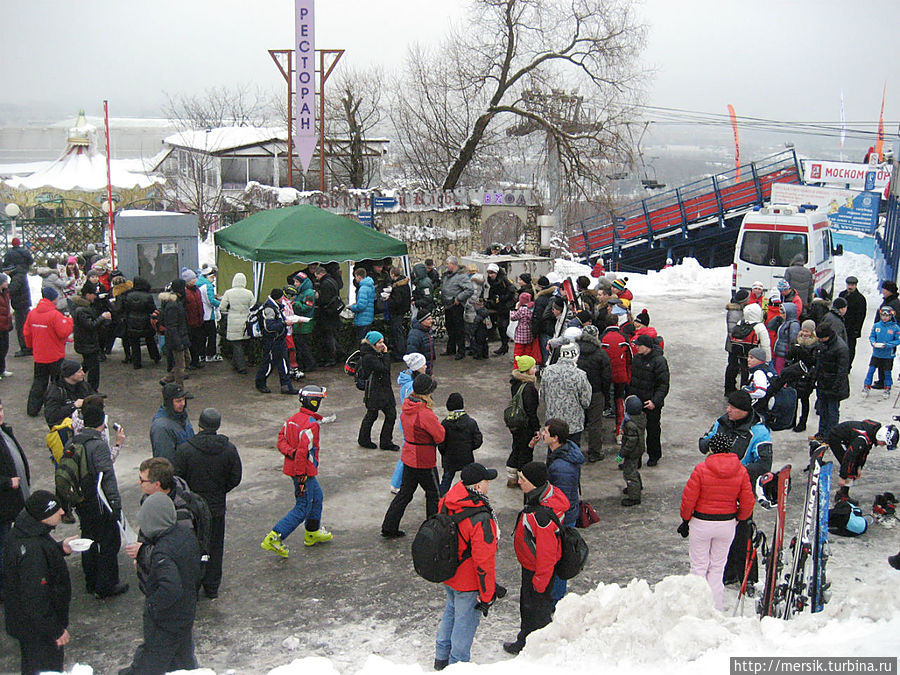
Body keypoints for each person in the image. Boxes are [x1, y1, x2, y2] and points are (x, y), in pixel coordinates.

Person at [120, 492, 202, 675]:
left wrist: (152, 605)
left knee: (152, 658)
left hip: (167, 618)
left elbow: (170, 587)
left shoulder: (162, 551)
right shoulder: (185, 535)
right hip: (186, 610)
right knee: (183, 656)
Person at [699, 390, 773, 586]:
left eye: (732, 407)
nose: (728, 410)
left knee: (742, 532)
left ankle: (748, 577)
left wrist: (738, 473)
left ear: (744, 411)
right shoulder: (722, 422)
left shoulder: (759, 432)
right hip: (718, 490)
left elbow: (765, 464)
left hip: (741, 490)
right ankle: (727, 572)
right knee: (721, 532)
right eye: (728, 406)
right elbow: (702, 443)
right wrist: (710, 444)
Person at [434, 462, 502, 669]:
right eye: (487, 482)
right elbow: (484, 562)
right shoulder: (481, 519)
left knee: (451, 613)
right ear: (479, 487)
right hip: (469, 581)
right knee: (464, 624)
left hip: (449, 572)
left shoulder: (447, 500)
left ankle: (441, 657)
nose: (488, 486)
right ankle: (458, 665)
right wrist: (487, 594)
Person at [679, 433, 754, 611]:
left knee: (698, 566)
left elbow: (689, 499)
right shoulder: (741, 471)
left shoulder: (701, 469)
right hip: (726, 523)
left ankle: (697, 608)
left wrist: (685, 520)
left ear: (711, 449)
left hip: (701, 522)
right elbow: (747, 501)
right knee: (718, 567)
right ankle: (715, 607)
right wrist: (740, 518)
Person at [3, 490, 75, 675]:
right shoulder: (32, 549)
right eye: (55, 509)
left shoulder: (26, 531)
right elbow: (35, 597)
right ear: (43, 516)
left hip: (28, 627)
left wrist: (59, 548)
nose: (61, 512)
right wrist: (55, 630)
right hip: (39, 632)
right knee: (45, 669)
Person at [172, 407, 242, 598]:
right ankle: (212, 586)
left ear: (200, 425)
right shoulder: (228, 449)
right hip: (216, 506)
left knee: (192, 546)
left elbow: (177, 478)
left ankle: (192, 584)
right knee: (215, 546)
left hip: (192, 508)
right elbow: (235, 477)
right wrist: (221, 490)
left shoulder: (186, 449)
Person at [502, 461, 569, 655]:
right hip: (533, 566)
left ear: (533, 483)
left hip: (538, 571)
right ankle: (527, 640)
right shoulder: (542, 497)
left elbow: (547, 555)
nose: (519, 481)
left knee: (536, 610)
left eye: (522, 479)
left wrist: (540, 581)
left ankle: (537, 649)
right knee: (530, 607)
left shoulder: (541, 516)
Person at [260, 386, 332, 559]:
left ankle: (312, 532)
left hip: (300, 471)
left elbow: (281, 439)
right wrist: (301, 477)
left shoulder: (292, 420)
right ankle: (275, 537)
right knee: (302, 508)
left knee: (318, 497)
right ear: (314, 402)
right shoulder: (311, 425)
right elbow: (303, 453)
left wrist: (289, 453)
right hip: (303, 472)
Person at [74, 395, 128, 599]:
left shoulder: (75, 440)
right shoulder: (98, 445)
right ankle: (107, 585)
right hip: (99, 502)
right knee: (109, 542)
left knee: (88, 539)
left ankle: (90, 581)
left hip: (81, 500)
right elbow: (108, 479)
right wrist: (115, 505)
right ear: (102, 424)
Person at [381, 373, 444, 537]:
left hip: (409, 455)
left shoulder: (407, 406)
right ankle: (434, 529)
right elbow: (440, 436)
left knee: (405, 493)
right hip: (424, 458)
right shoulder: (425, 413)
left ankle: (389, 526)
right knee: (434, 494)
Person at [537, 418, 583, 603]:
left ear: (555, 438)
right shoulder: (562, 452)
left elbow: (560, 500)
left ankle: (556, 600)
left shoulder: (561, 467)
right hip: (567, 512)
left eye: (546, 432)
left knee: (558, 558)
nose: (543, 434)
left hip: (563, 517)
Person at [23, 287, 73, 417]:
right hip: (55, 355)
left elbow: (27, 333)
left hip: (40, 355)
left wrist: (32, 347)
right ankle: (56, 408)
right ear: (53, 298)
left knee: (39, 382)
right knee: (57, 383)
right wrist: (69, 321)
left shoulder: (32, 313)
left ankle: (32, 409)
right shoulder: (55, 315)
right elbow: (63, 332)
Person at [825, 420, 899, 502]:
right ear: (880, 436)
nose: (883, 445)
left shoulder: (872, 434)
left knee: (854, 469)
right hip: (836, 438)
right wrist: (843, 477)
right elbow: (849, 458)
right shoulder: (862, 439)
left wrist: (859, 467)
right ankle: (842, 495)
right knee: (849, 467)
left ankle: (843, 493)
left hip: (850, 437)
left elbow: (864, 452)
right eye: (884, 443)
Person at [0, 397, 30, 599]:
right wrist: (7, 483)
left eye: (0, 408)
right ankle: (6, 586)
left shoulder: (4, 431)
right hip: (4, 505)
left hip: (13, 501)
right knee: (3, 546)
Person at [627, 334, 670, 467]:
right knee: (634, 434)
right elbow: (632, 380)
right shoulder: (637, 359)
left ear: (647, 347)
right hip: (636, 404)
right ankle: (635, 460)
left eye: (640, 345)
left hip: (651, 404)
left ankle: (654, 456)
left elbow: (663, 385)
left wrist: (654, 402)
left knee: (652, 431)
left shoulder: (659, 361)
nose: (637, 347)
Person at [540, 341, 592, 445]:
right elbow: (586, 401)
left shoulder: (548, 371)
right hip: (573, 424)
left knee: (554, 453)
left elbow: (542, 396)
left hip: (552, 423)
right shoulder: (580, 375)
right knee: (571, 453)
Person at [392, 352, 428, 493]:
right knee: (407, 454)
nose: (426, 366)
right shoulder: (412, 387)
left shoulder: (407, 382)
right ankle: (396, 482)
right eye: (423, 364)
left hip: (407, 422)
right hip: (411, 424)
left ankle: (399, 482)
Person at [357, 331, 399, 450]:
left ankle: (380, 441)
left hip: (383, 390)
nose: (382, 345)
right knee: (374, 415)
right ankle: (368, 440)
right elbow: (384, 369)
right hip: (376, 392)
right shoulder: (369, 357)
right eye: (379, 342)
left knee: (387, 415)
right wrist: (386, 354)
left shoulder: (372, 354)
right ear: (373, 344)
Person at [577, 324, 611, 462]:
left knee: (577, 422)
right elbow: (607, 377)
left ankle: (574, 451)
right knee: (595, 424)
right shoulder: (601, 353)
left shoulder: (576, 351)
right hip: (595, 392)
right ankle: (594, 452)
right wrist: (605, 393)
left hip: (578, 392)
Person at [505, 355, 541, 487]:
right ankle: (523, 479)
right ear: (527, 370)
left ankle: (511, 477)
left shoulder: (515, 383)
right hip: (525, 425)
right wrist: (536, 428)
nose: (536, 369)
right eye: (533, 367)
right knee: (526, 451)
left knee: (516, 447)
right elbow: (531, 412)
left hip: (516, 423)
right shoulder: (529, 388)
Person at [437, 392, 483, 495]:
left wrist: (444, 452)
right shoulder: (470, 422)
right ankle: (469, 497)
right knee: (469, 479)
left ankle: (440, 499)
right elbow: (478, 440)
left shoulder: (445, 423)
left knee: (447, 479)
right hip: (466, 457)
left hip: (449, 458)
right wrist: (469, 447)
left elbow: (441, 443)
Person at [255, 288, 298, 395]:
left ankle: (286, 386)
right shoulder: (269, 309)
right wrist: (284, 323)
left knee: (284, 363)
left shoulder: (275, 307)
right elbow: (269, 327)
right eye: (281, 298)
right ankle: (260, 383)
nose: (282, 300)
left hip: (279, 340)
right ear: (277, 298)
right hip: (272, 341)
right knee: (268, 364)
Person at [71, 281, 112, 392]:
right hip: (87, 343)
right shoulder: (81, 310)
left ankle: (75, 383)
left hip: (86, 342)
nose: (95, 297)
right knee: (94, 368)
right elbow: (91, 325)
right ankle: (92, 390)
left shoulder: (83, 307)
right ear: (88, 294)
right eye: (94, 294)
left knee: (87, 365)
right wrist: (102, 317)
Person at [812, 323, 849, 442]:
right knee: (822, 410)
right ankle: (821, 433)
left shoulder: (841, 348)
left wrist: (835, 387)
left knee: (832, 412)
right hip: (823, 382)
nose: (820, 340)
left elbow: (842, 371)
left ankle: (830, 437)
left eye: (822, 338)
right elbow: (819, 363)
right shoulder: (823, 344)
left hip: (834, 385)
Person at [601, 314, 633, 435]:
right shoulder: (624, 337)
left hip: (606, 375)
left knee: (604, 400)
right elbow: (630, 358)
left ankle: (601, 431)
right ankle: (620, 430)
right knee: (619, 400)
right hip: (621, 374)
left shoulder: (602, 338)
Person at [218, 272, 254, 374]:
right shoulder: (249, 293)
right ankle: (236, 363)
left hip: (233, 319)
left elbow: (222, 307)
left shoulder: (228, 293)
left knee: (236, 344)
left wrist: (229, 311)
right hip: (245, 320)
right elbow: (253, 306)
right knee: (242, 344)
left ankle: (241, 367)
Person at [43, 358, 94, 428]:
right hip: (64, 428)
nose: (83, 373)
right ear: (70, 374)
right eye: (79, 372)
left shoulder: (84, 385)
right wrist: (73, 406)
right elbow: (51, 416)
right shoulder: (56, 391)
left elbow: (91, 396)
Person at [150, 383, 195, 461]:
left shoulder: (181, 415)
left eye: (184, 399)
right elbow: (165, 461)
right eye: (178, 401)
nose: (183, 404)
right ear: (169, 402)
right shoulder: (161, 427)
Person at [787, 320, 818, 433]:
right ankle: (792, 420)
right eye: (804, 331)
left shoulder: (815, 344)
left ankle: (802, 422)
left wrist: (802, 351)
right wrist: (793, 349)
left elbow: (813, 361)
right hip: (795, 373)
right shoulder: (797, 340)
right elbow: (789, 356)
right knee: (793, 398)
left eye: (807, 331)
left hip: (806, 375)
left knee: (804, 399)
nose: (805, 333)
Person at [122, 277, 160, 370]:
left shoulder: (128, 295)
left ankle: (137, 363)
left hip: (132, 321)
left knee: (135, 343)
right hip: (145, 321)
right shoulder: (148, 296)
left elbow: (125, 309)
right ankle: (155, 357)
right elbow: (152, 309)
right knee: (150, 340)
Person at [862, 307, 900, 400]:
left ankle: (887, 387)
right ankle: (867, 386)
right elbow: (872, 336)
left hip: (888, 355)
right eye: (883, 315)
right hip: (876, 353)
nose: (884, 318)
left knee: (887, 372)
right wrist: (873, 342)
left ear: (891, 316)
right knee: (871, 370)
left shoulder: (895, 328)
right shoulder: (876, 325)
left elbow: (898, 340)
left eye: (887, 316)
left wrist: (887, 345)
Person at [441, 256, 474, 360]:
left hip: (456, 306)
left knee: (459, 329)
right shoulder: (447, 275)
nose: (446, 266)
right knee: (450, 327)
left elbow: (470, 289)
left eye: (448, 264)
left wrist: (459, 298)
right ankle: (451, 349)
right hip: (448, 305)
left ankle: (461, 350)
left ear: (453, 264)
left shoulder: (461, 276)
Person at [159, 279, 189, 387]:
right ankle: (179, 389)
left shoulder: (175, 302)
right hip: (177, 338)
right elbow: (172, 326)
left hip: (180, 337)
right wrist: (178, 342)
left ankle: (167, 379)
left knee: (185, 360)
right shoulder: (173, 305)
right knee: (180, 366)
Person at [618, 395, 646, 506]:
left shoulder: (630, 424)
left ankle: (634, 496)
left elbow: (630, 443)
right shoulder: (641, 418)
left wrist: (621, 453)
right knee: (633, 468)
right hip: (638, 449)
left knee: (629, 473)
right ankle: (637, 486)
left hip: (632, 451)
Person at [312, 265, 342, 367]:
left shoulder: (325, 284)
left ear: (320, 274)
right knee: (332, 336)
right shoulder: (333, 281)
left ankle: (331, 358)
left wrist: (317, 297)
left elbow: (324, 300)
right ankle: (339, 354)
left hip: (327, 314)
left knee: (328, 337)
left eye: (316, 276)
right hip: (334, 313)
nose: (316, 278)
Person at [485, 262, 515, 356]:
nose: (491, 275)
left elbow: (511, 291)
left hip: (505, 305)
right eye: (489, 273)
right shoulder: (492, 280)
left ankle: (504, 345)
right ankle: (503, 345)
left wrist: (501, 298)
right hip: (497, 305)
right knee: (499, 325)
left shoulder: (504, 280)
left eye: (492, 273)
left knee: (503, 325)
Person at [290, 271, 317, 373]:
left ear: (302, 282)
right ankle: (303, 364)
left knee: (303, 345)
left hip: (305, 322)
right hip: (299, 322)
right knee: (300, 345)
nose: (295, 284)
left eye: (296, 282)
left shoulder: (309, 293)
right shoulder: (300, 292)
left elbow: (307, 307)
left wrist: (295, 303)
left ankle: (310, 364)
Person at [839, 276, 867, 369]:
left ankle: (848, 366)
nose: (850, 287)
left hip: (851, 328)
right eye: (849, 284)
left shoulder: (860, 299)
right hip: (842, 326)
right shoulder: (842, 295)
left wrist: (857, 330)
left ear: (855, 285)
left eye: (852, 285)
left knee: (850, 347)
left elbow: (861, 316)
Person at [386, 266, 411, 361]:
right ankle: (401, 350)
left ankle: (400, 353)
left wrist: (388, 299)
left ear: (392, 274)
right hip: (403, 310)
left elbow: (397, 301)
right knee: (399, 331)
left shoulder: (397, 286)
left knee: (397, 332)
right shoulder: (404, 283)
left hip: (397, 312)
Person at [7, 263, 32, 357]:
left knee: (21, 328)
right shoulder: (20, 275)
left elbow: (12, 289)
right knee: (24, 327)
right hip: (23, 304)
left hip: (20, 306)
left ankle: (25, 348)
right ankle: (27, 347)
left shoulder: (17, 277)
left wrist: (6, 288)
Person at [196, 265, 220, 362]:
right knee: (211, 335)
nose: (214, 279)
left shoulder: (199, 283)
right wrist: (220, 304)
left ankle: (201, 354)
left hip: (201, 314)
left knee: (201, 336)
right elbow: (210, 301)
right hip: (208, 315)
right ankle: (210, 355)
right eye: (213, 277)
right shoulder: (208, 286)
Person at [510, 291, 541, 364]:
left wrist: (515, 309)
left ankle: (518, 368)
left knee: (518, 354)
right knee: (528, 353)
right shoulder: (532, 308)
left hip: (520, 335)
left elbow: (513, 317)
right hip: (529, 334)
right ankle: (527, 368)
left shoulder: (522, 309)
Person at [772, 300, 800, 374]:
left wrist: (789, 356)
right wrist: (775, 320)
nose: (781, 315)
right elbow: (770, 327)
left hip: (784, 354)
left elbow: (793, 341)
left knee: (780, 372)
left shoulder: (793, 324)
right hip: (779, 351)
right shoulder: (784, 322)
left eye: (783, 313)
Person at [349, 267, 376, 342]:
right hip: (368, 318)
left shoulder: (363, 288)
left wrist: (352, 307)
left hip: (362, 319)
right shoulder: (370, 286)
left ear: (358, 276)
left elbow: (361, 306)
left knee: (361, 342)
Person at [0, 273, 13, 378]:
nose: (7, 283)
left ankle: (2, 370)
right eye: (5, 281)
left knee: (4, 348)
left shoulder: (5, 292)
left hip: (5, 325)